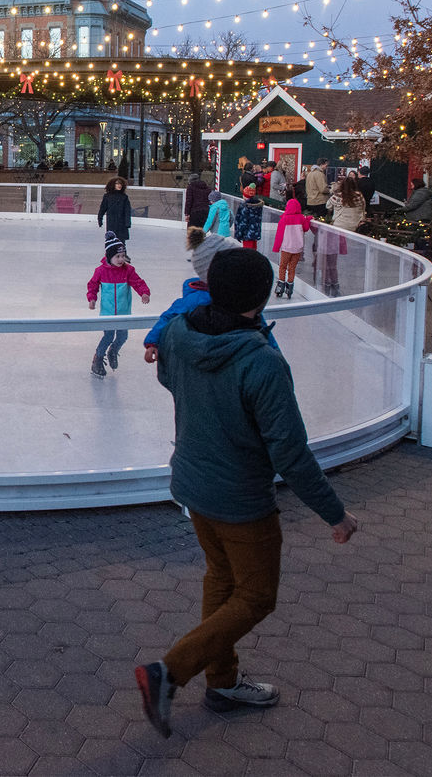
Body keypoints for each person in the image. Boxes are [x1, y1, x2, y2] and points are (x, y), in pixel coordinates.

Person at [133, 249, 359, 737]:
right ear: (259, 299)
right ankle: (168, 672)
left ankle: (223, 683)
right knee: (256, 596)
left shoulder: (178, 331)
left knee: (221, 578)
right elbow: (290, 454)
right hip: (239, 500)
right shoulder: (261, 362)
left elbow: (170, 378)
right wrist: (334, 515)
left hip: (192, 485)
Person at [86, 232, 151, 378]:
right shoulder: (101, 271)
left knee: (122, 337)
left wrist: (144, 293)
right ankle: (97, 359)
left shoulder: (128, 270)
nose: (121, 259)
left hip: (123, 312)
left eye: (123, 256)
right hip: (108, 313)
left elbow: (138, 282)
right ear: (110, 257)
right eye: (118, 256)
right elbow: (93, 285)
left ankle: (113, 351)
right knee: (108, 336)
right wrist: (92, 298)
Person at [320, 175, 366, 298]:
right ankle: (336, 285)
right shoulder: (359, 196)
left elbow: (328, 206)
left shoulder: (338, 196)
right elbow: (363, 208)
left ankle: (329, 285)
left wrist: (334, 191)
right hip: (353, 227)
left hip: (338, 228)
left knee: (332, 259)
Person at [270, 198, 311, 298]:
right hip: (297, 249)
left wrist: (276, 247)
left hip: (286, 248)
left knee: (283, 267)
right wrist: (308, 219)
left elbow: (279, 235)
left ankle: (280, 287)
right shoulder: (301, 218)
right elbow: (306, 228)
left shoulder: (284, 219)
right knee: (292, 268)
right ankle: (289, 289)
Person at [98, 177, 134, 243]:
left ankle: (122, 253)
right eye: (117, 184)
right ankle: (110, 252)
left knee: (121, 241)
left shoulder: (124, 197)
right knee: (111, 240)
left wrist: (127, 222)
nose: (119, 185)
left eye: (120, 184)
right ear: (112, 185)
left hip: (121, 223)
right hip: (111, 222)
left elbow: (127, 210)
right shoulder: (107, 196)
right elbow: (102, 208)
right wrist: (100, 219)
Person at [234, 185, 264, 250]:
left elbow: (242, 222)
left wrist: (238, 234)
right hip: (254, 234)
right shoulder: (258, 206)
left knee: (247, 253)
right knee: (253, 252)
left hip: (246, 234)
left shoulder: (245, 207)